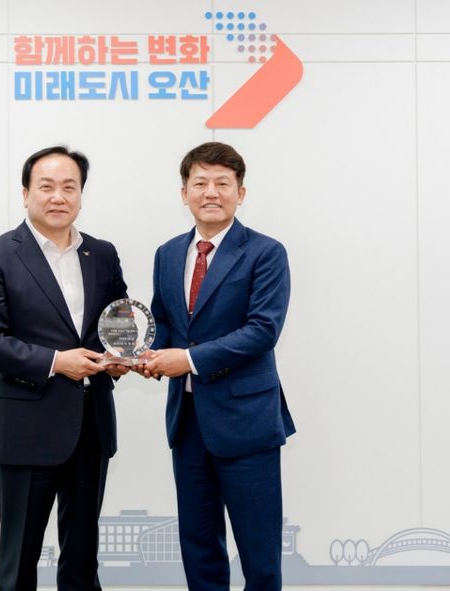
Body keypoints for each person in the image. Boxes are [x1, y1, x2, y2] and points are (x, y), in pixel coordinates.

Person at [0, 146, 128, 591]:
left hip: (91, 427)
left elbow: (118, 325)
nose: (59, 197)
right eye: (47, 186)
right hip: (26, 429)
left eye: (69, 187)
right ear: (25, 193)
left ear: (81, 195)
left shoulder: (103, 253)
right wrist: (57, 362)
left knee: (82, 562)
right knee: (20, 562)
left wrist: (120, 359)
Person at [139, 142, 295, 590]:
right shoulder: (168, 253)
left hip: (247, 421)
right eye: (201, 182)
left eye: (223, 183)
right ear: (184, 192)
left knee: (259, 553)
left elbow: (262, 330)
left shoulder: (266, 252)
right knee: (200, 547)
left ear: (240, 193)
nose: (211, 192)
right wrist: (145, 356)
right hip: (188, 422)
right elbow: (165, 322)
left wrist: (186, 360)